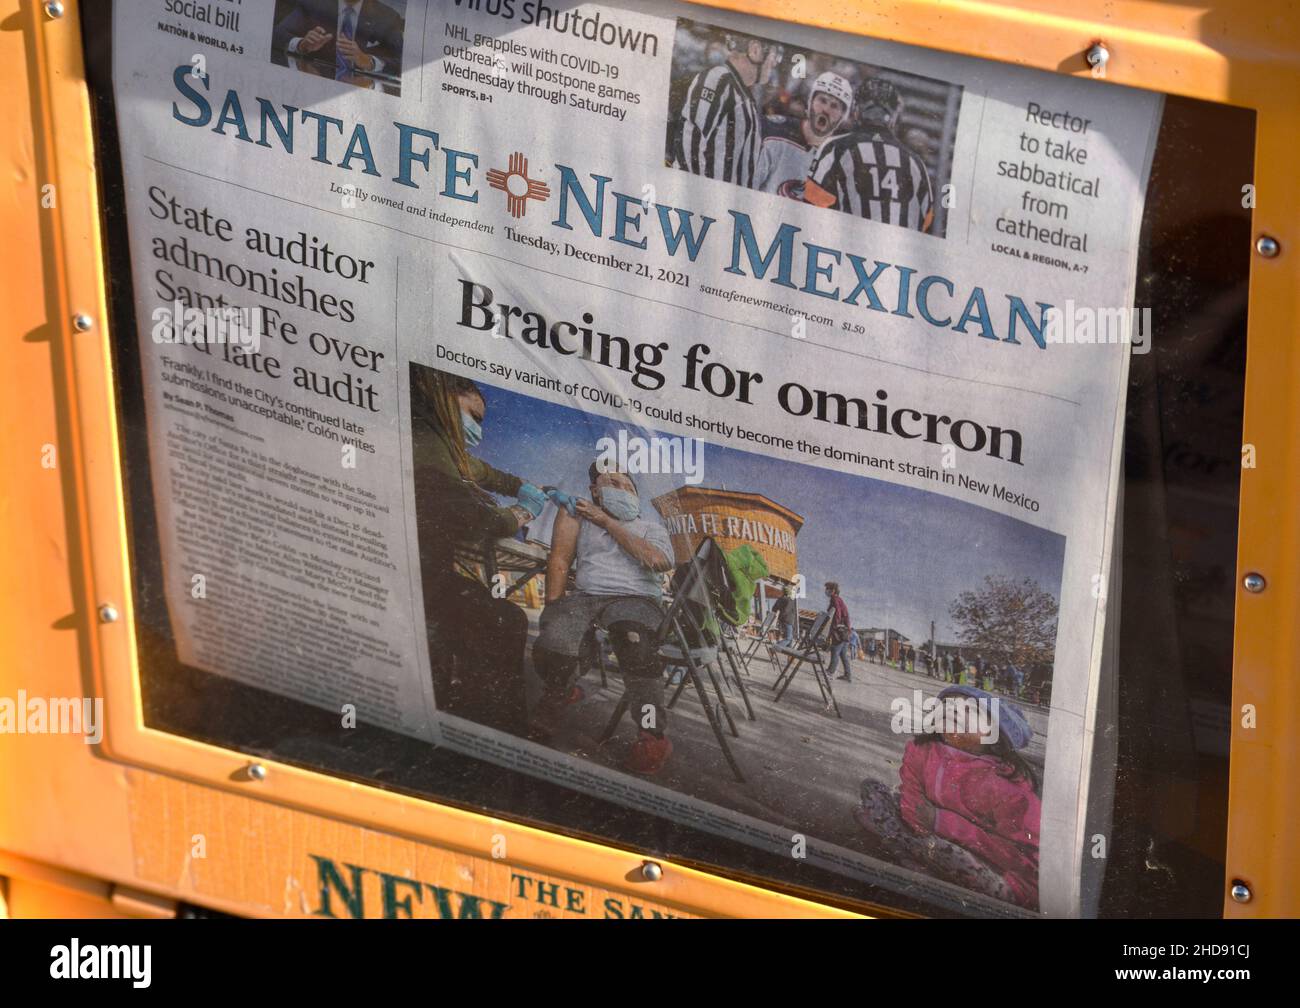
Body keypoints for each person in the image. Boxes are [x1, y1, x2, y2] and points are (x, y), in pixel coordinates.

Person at [410, 371, 552, 736]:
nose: (477, 430)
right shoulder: (422, 437)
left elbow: (488, 474)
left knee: (481, 611)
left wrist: (523, 487)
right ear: (444, 392)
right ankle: (495, 729)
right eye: (473, 415)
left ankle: (467, 705)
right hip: (416, 581)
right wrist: (519, 513)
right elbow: (467, 517)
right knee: (502, 620)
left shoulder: (447, 446)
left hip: (425, 575)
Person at [531, 459, 676, 773]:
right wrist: (553, 607)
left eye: (627, 485)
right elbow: (559, 559)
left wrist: (607, 523)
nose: (622, 489)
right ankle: (559, 692)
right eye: (612, 483)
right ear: (595, 491)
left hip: (635, 599)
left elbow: (658, 561)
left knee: (635, 643)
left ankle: (652, 734)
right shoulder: (577, 515)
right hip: (587, 596)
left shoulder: (651, 528)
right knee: (555, 639)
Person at [854, 685, 1041, 909]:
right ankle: (914, 853)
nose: (952, 712)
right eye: (946, 707)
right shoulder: (923, 750)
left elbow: (1019, 856)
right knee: (872, 788)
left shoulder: (1009, 788)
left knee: (950, 855)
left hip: (995, 869)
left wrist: (942, 823)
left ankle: (903, 850)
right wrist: (919, 825)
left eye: (968, 710)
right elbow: (911, 793)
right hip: (927, 835)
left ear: (995, 733)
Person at [803, 78, 935, 232]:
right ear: (894, 117)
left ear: (856, 111)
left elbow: (812, 205)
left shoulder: (836, 147)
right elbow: (927, 222)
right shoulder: (916, 163)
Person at [674, 31, 783, 188]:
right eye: (776, 54)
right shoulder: (719, 80)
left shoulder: (742, 94)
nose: (774, 63)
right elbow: (692, 151)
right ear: (755, 50)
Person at [754, 71, 854, 197]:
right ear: (810, 102)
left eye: (834, 106)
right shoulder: (772, 130)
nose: (826, 110)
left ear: (842, 117)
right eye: (822, 101)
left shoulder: (839, 160)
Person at [272, 0, 404, 81]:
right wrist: (301, 44)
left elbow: (402, 60)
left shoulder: (388, 17)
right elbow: (276, 34)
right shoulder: (314, 3)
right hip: (312, 84)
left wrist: (369, 61)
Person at [825, 581, 853, 682]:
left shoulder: (835, 599)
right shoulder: (839, 599)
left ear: (833, 590)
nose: (826, 591)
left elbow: (837, 613)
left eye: (827, 589)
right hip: (845, 629)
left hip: (840, 630)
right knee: (842, 654)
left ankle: (830, 672)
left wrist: (835, 627)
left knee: (835, 650)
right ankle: (848, 675)